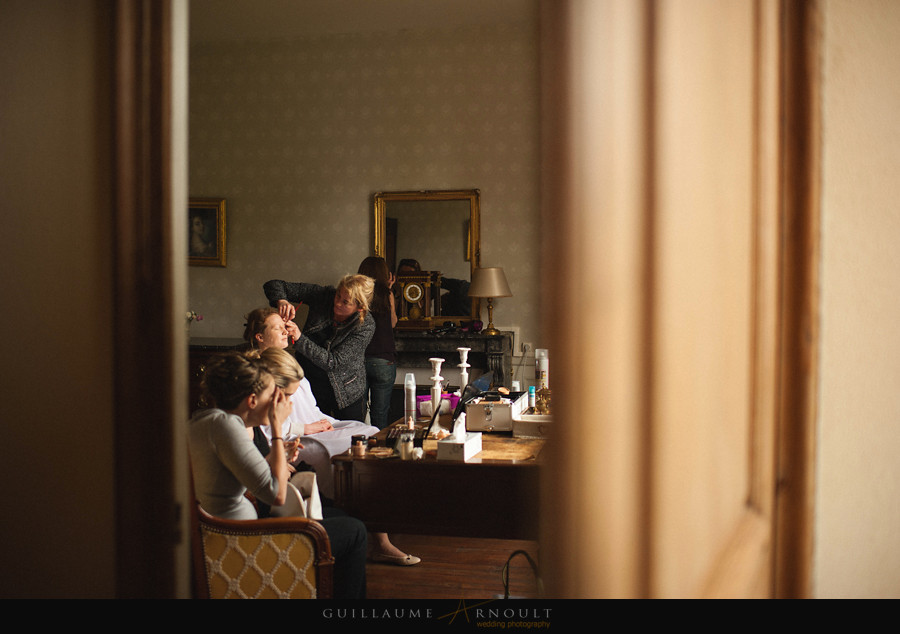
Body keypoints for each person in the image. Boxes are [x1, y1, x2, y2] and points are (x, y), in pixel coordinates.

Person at [245, 310, 421, 566]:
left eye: (285, 326)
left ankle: (387, 520)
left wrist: (328, 423)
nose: (285, 331)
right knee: (355, 455)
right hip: (295, 437)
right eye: (277, 328)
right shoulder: (260, 375)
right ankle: (378, 541)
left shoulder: (288, 365)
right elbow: (268, 430)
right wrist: (306, 428)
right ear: (259, 337)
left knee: (371, 433)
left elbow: (311, 408)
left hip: (314, 425)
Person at [188, 350, 367, 598]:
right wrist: (277, 427)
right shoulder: (227, 426)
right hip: (242, 541)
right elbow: (277, 495)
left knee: (340, 516)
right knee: (355, 531)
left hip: (239, 530)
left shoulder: (209, 420)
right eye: (272, 395)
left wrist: (277, 453)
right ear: (252, 400)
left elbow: (249, 473)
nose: (279, 402)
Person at [263, 274, 374, 422]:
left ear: (360, 308)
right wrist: (282, 301)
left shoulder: (365, 326)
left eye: (345, 302)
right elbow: (273, 284)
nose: (337, 303)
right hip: (311, 382)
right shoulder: (323, 295)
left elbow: (332, 362)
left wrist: (299, 338)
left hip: (346, 391)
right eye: (338, 295)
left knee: (352, 437)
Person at [357, 256, 398, 430]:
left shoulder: (358, 294)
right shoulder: (387, 294)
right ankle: (379, 449)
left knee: (358, 412)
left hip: (360, 358)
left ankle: (358, 447)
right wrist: (389, 289)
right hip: (384, 359)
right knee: (380, 413)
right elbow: (393, 322)